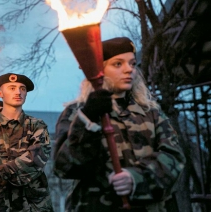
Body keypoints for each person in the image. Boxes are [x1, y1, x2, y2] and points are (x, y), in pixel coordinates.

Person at [53, 37, 186, 211]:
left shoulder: (150, 112)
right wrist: (88, 120)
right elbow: (64, 167)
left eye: (132, 63)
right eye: (118, 64)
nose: (128, 69)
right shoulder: (77, 112)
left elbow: (174, 156)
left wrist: (135, 178)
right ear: (99, 71)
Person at [0, 73, 54, 211]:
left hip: (30, 203)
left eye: (22, 89)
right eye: (12, 88)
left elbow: (36, 160)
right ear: (0, 93)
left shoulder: (37, 126)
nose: (18, 92)